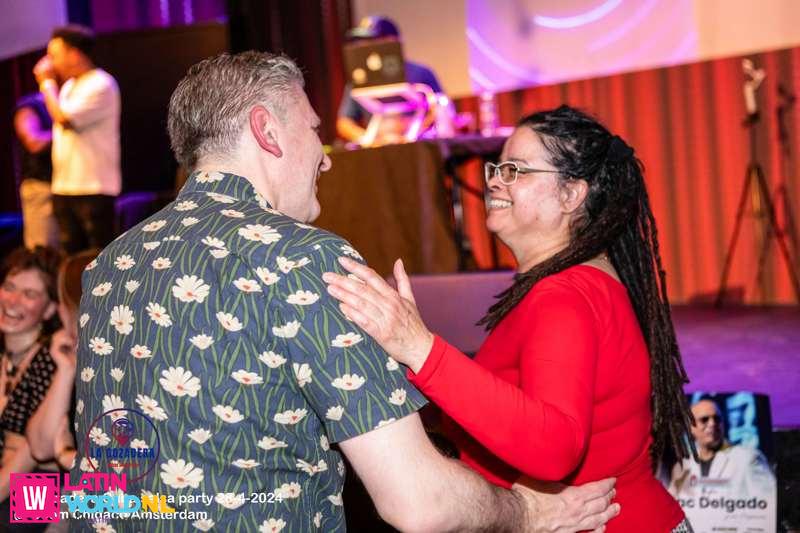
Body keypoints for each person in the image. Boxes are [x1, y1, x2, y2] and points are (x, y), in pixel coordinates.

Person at [70, 52, 618, 532]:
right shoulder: (303, 258)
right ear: (267, 131)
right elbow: (419, 503)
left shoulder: (107, 266)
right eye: (313, 130)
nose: (326, 156)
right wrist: (528, 513)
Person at [324, 105, 696, 532]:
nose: (495, 180)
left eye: (516, 170)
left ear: (571, 195)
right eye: (497, 167)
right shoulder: (576, 280)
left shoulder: (564, 296)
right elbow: (505, 414)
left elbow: (555, 448)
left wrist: (421, 347)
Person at [34, 24, 121, 254]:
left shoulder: (101, 83)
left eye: (54, 55)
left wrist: (46, 83)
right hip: (65, 186)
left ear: (74, 54)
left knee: (97, 256)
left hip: (93, 187)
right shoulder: (70, 86)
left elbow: (64, 118)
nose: (50, 63)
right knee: (71, 256)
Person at [0, 246, 61, 506]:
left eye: (29, 294)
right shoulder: (6, 355)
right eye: (9, 287)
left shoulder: (51, 360)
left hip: (41, 486)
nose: (12, 301)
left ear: (49, 310)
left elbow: (31, 455)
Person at [27, 250, 98, 471]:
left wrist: (67, 457)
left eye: (29, 294)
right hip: (76, 482)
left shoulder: (113, 364)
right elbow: (39, 447)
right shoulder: (70, 356)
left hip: (106, 489)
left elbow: (129, 468)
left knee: (25, 491)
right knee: (26, 490)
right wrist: (66, 369)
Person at [336, 15, 443, 143]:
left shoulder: (421, 73)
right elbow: (344, 122)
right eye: (364, 42)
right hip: (379, 150)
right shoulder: (359, 80)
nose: (367, 47)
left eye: (373, 41)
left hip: (419, 147)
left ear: (391, 41)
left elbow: (440, 111)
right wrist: (369, 141)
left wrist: (411, 132)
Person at [668, 397, 775, 498]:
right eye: (704, 420)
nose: (712, 423)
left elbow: (767, 502)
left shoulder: (748, 458)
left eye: (717, 419)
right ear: (690, 428)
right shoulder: (682, 467)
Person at [13, 92, 59, 249]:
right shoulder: (30, 107)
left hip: (63, 189)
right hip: (40, 189)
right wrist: (64, 133)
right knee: (42, 249)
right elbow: (33, 142)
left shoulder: (65, 103)